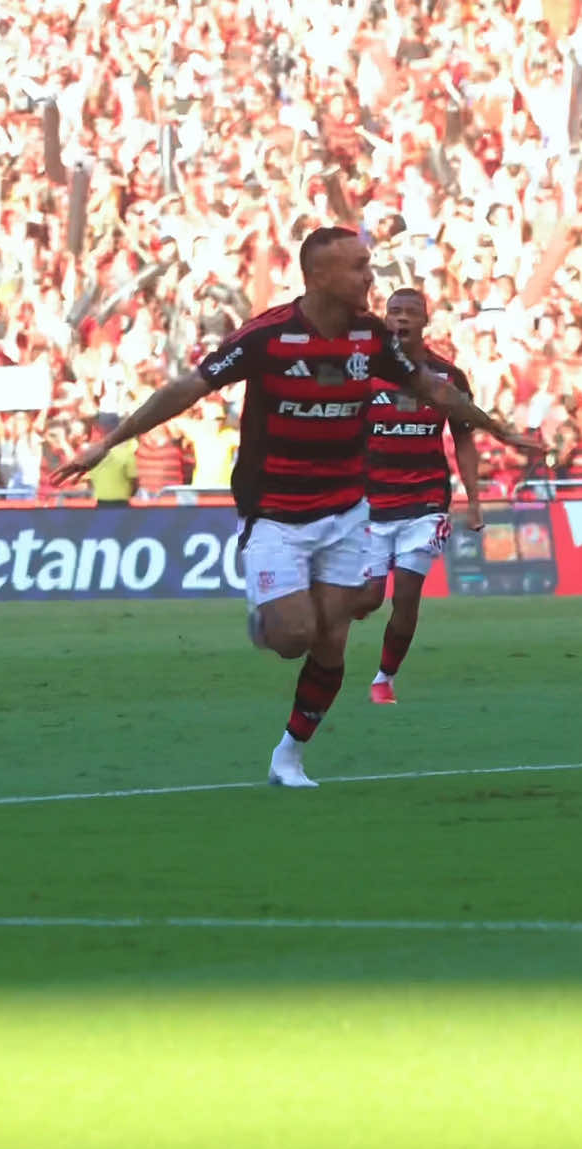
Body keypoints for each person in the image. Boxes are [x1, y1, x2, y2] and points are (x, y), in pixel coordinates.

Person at [52, 226, 526, 787]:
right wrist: (109, 442)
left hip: (347, 508)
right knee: (292, 637)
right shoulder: (269, 337)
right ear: (319, 275)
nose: (369, 278)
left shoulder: (371, 338)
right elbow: (186, 389)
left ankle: (289, 755)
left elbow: (436, 391)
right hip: (276, 510)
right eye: (358, 267)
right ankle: (266, 617)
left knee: (332, 640)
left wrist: (501, 430)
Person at [357, 287, 482, 706]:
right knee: (368, 598)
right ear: (385, 318)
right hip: (369, 503)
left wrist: (474, 501)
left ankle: (384, 678)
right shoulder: (362, 371)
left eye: (411, 312)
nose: (403, 318)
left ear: (426, 321)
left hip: (425, 502)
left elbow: (464, 440)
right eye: (395, 311)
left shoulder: (448, 377)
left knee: (406, 595)